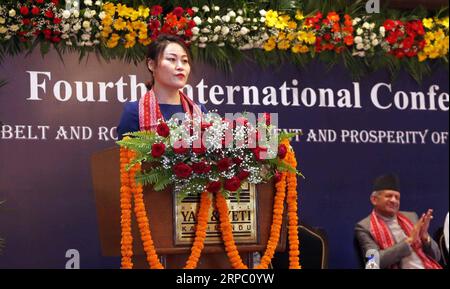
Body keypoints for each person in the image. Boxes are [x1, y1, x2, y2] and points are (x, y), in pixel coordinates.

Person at [117, 34, 206, 140]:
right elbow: (124, 154)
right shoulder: (134, 111)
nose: (180, 67)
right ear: (152, 65)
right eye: (172, 59)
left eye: (184, 61)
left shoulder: (198, 111)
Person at [355, 173, 442, 269]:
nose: (394, 200)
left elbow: (437, 257)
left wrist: (425, 237)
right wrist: (409, 241)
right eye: (389, 196)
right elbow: (373, 263)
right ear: (374, 199)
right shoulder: (364, 227)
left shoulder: (411, 217)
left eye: (397, 197)